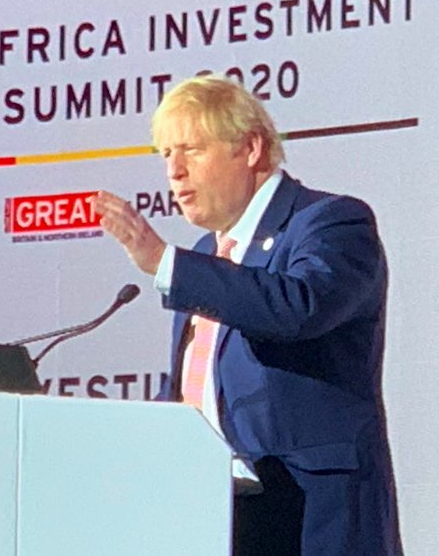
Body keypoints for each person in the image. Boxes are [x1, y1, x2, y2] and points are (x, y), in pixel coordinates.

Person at [94, 75, 402, 555]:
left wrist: (164, 262)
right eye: (166, 154)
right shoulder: (205, 255)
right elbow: (194, 393)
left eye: (191, 150)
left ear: (251, 148)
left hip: (312, 519)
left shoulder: (330, 222)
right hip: (216, 517)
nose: (174, 171)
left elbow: (299, 307)